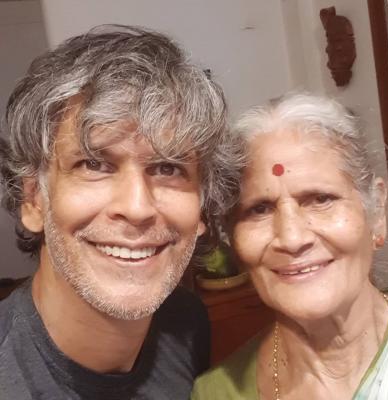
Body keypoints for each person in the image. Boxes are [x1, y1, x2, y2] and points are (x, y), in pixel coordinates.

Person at [0, 25, 242, 400]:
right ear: (33, 200)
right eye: (93, 164)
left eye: (168, 168)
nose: (137, 207)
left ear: (201, 211)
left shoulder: (186, 322)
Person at [192, 93, 388, 399]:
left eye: (320, 199)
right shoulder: (217, 393)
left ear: (377, 212)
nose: (292, 238)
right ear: (232, 238)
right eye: (260, 209)